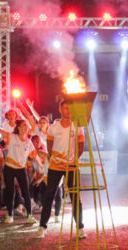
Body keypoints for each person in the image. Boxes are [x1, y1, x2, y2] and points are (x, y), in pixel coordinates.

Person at [37, 100, 86, 239]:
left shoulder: (77, 126)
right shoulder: (53, 128)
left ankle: (80, 228)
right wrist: (58, 159)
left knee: (75, 196)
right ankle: (42, 227)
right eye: (65, 108)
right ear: (60, 109)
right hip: (55, 166)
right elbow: (50, 146)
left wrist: (72, 159)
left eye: (70, 108)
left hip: (72, 166)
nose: (68, 111)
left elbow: (81, 147)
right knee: (49, 196)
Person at [0, 117, 38, 224]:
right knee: (10, 192)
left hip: (21, 169)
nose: (26, 128)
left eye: (27, 126)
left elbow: (35, 156)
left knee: (26, 192)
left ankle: (30, 215)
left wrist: (41, 167)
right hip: (9, 168)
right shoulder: (12, 137)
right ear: (18, 127)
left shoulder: (28, 142)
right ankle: (10, 215)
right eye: (23, 125)